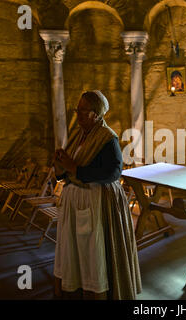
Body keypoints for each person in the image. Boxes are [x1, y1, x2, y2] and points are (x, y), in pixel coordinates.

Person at [53, 90, 141, 300]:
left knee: (94, 252)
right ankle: (77, 289)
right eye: (78, 110)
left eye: (82, 111)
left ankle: (97, 293)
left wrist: (74, 168)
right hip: (75, 202)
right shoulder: (79, 134)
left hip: (96, 202)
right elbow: (70, 166)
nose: (78, 115)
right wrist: (62, 162)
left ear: (95, 114)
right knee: (75, 252)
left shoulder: (107, 137)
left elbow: (113, 172)